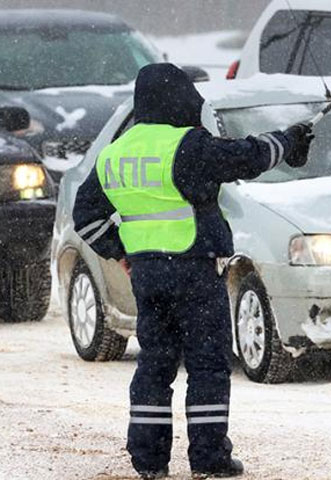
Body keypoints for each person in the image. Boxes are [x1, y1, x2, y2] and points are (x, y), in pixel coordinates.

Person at [72, 63, 314, 479]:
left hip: (148, 275)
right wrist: (288, 140)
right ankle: (209, 458)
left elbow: (86, 217)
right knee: (207, 365)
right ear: (180, 98)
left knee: (155, 364)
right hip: (194, 270)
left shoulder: (114, 152)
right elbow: (246, 156)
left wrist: (122, 254)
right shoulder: (187, 145)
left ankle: (148, 460)